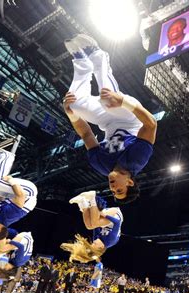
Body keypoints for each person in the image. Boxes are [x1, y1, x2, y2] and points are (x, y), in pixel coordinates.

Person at [63, 34, 157, 204]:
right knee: (108, 100)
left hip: (106, 122)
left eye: (113, 192)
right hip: (129, 117)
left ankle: (81, 62)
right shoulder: (137, 160)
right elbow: (151, 124)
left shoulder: (102, 166)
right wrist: (124, 102)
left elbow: (86, 135)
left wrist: (71, 116)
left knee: (74, 105)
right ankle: (97, 54)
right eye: (119, 190)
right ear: (130, 182)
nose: (113, 189)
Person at [62, 192, 123, 263]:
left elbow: (94, 226)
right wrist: (103, 215)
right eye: (95, 244)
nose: (93, 242)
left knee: (89, 226)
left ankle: (82, 202)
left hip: (107, 222)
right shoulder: (111, 240)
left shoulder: (96, 240)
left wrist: (95, 213)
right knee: (94, 223)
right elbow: (117, 222)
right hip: (116, 215)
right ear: (101, 247)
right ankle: (92, 197)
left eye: (92, 244)